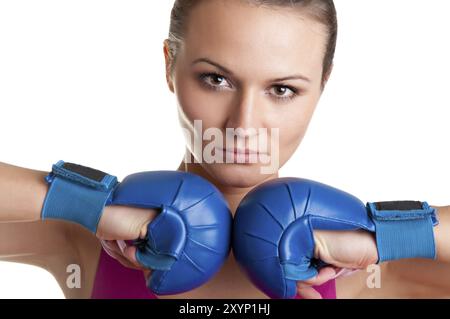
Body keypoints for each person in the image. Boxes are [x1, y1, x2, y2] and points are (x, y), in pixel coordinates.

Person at [1, 0, 449, 299]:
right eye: (216, 79)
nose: (243, 125)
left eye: (282, 89)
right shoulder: (88, 237)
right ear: (170, 66)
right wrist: (86, 203)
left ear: (322, 86)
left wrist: (384, 234)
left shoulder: (368, 269)